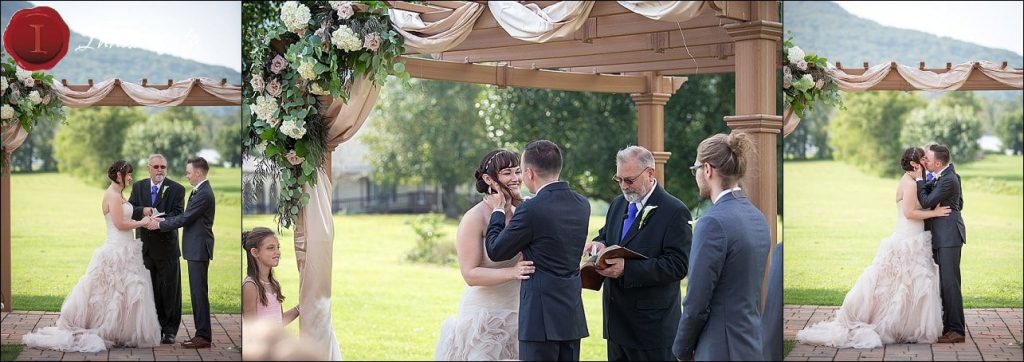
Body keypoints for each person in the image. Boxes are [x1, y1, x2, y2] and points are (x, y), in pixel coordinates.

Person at [797, 146, 949, 348]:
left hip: (915, 237)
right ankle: (893, 324)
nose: (926, 162)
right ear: (914, 164)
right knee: (900, 283)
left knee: (909, 284)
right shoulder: (910, 184)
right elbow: (910, 213)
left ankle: (906, 326)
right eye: (923, 159)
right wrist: (935, 213)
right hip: (907, 238)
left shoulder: (914, 181)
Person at [22, 160, 161, 352]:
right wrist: (143, 222)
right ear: (119, 176)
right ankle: (104, 329)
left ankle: (121, 331)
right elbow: (120, 224)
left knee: (125, 291)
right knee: (110, 292)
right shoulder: (112, 194)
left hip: (127, 248)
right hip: (115, 249)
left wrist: (144, 217)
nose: (131, 177)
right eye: (128, 174)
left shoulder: (118, 193)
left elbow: (125, 218)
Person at [485, 140, 590, 361]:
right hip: (571, 315)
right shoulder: (582, 204)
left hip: (539, 319)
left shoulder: (531, 209)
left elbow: (496, 250)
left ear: (530, 173)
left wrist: (497, 211)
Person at [585, 145, 692, 361]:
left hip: (652, 330)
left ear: (650, 173)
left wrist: (628, 269)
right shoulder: (617, 205)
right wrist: (597, 245)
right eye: (619, 179)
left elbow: (679, 265)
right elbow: (607, 236)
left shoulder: (674, 211)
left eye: (630, 180)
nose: (624, 186)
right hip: (616, 326)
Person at [672, 133, 771, 361]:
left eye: (695, 168)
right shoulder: (757, 217)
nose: (695, 175)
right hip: (751, 344)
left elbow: (696, 302)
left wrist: (681, 350)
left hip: (718, 348)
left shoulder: (712, 222)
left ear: (707, 170)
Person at [435, 149, 535, 360]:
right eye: (507, 173)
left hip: (520, 316)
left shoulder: (523, 211)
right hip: (484, 319)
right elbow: (470, 275)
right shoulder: (475, 217)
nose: (515, 178)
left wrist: (522, 205)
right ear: (489, 179)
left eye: (517, 171)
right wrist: (513, 272)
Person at [146, 157, 216, 348]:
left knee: (198, 293)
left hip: (199, 249)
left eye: (189, 172)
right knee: (197, 292)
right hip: (195, 249)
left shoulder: (203, 193)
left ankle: (203, 336)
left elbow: (185, 218)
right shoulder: (200, 191)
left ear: (198, 173)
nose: (187, 175)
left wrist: (159, 224)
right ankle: (202, 334)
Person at [128, 154, 186, 344]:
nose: (160, 170)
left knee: (170, 291)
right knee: (149, 290)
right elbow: (130, 208)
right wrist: (142, 210)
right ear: (149, 168)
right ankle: (154, 327)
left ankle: (170, 330)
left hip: (167, 248)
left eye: (163, 166)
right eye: (156, 167)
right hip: (145, 248)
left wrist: (161, 221)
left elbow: (179, 215)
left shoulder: (177, 189)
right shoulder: (138, 187)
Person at [916, 143, 967, 343]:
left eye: (927, 159)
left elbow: (927, 202)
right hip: (942, 235)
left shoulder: (949, 180)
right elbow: (959, 203)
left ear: (937, 163)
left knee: (950, 284)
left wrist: (920, 179)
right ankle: (949, 327)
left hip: (949, 237)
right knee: (945, 283)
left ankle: (957, 331)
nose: (924, 161)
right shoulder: (945, 176)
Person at [242, 227, 299, 326]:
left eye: (278, 247)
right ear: (255, 252)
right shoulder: (250, 286)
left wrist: (300, 308)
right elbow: (251, 329)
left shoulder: (273, 283)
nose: (278, 252)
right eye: (270, 248)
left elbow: (279, 321)